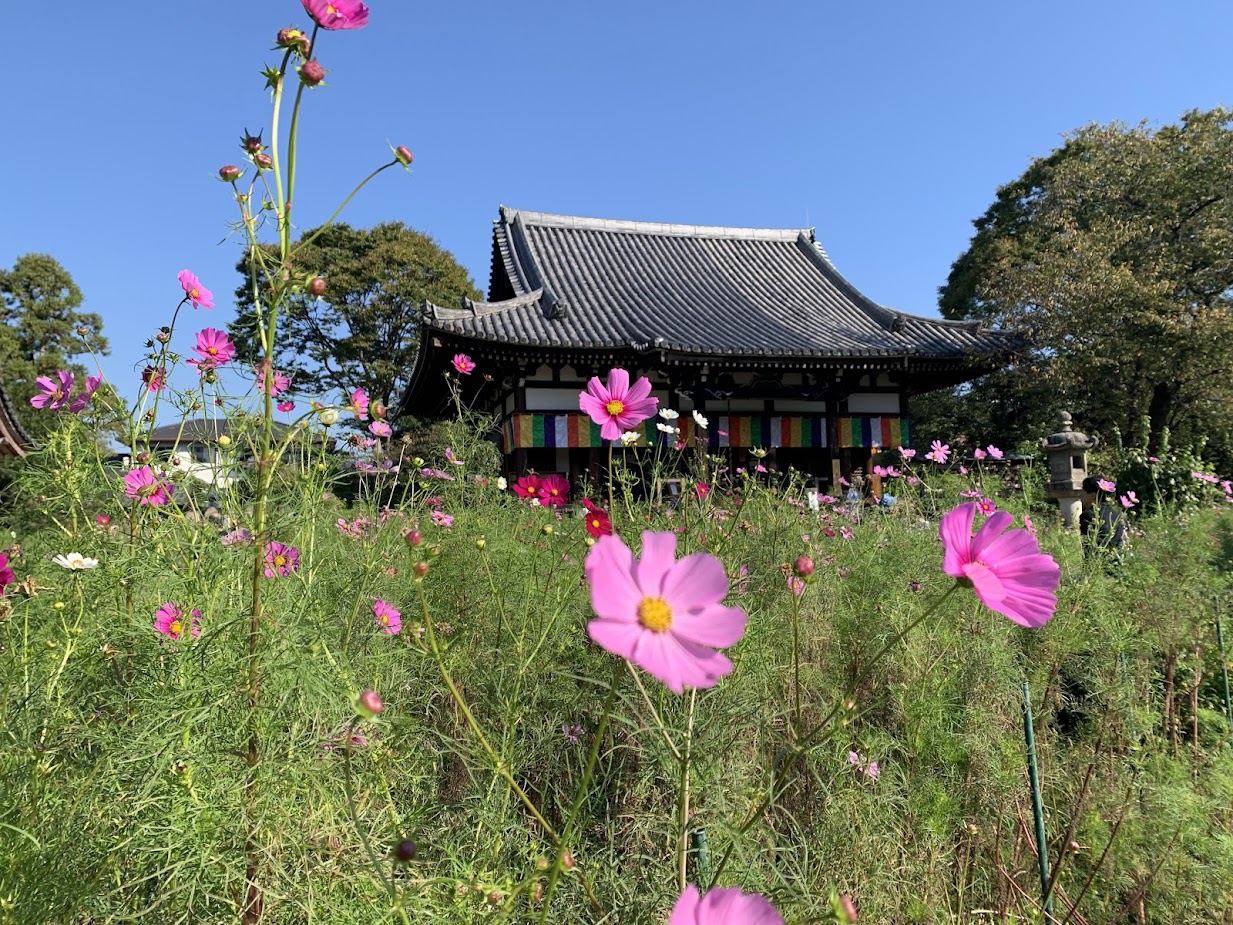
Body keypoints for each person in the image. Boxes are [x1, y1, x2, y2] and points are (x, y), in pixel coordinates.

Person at [1079, 476, 1127, 565]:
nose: (1080, 495)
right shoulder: (1117, 515)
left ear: (1092, 495)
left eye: (1083, 492)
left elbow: (1088, 549)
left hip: (1099, 566)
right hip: (1118, 565)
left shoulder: (1088, 516)